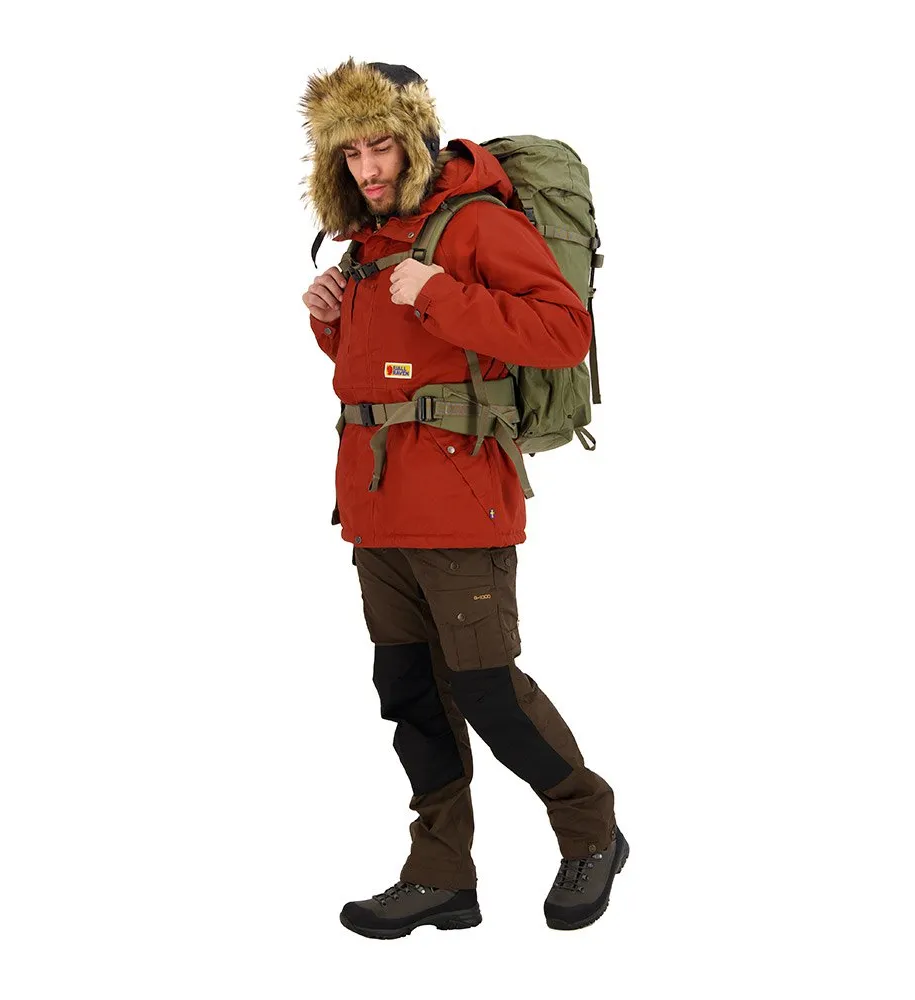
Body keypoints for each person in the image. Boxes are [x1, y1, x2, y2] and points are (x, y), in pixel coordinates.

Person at [300, 58, 628, 939]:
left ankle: (591, 831)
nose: (367, 168)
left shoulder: (476, 222)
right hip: (375, 510)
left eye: (379, 147)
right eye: (350, 154)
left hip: (459, 500)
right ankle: (440, 876)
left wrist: (443, 290)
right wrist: (330, 317)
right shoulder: (367, 243)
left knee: (486, 689)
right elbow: (383, 375)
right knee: (409, 693)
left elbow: (563, 332)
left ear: (414, 140)